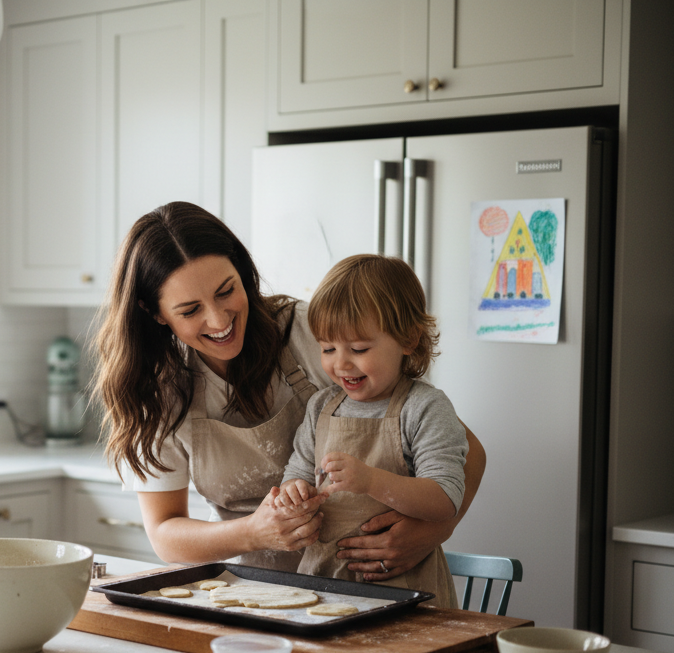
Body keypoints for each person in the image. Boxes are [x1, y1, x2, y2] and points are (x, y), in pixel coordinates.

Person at [92, 201, 485, 579]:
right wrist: (254, 532)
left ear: (242, 272)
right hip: (248, 590)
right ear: (156, 312)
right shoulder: (159, 389)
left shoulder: (309, 334)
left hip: (364, 582)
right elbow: (164, 534)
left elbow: (468, 453)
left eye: (226, 290)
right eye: (190, 310)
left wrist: (431, 533)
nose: (218, 319)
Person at [278, 254, 463, 606]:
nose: (341, 363)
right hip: (322, 588)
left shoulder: (423, 407)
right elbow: (297, 473)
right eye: (328, 348)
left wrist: (372, 482)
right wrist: (294, 493)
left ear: (408, 340)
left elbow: (444, 500)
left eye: (359, 348)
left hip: (403, 591)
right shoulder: (321, 406)